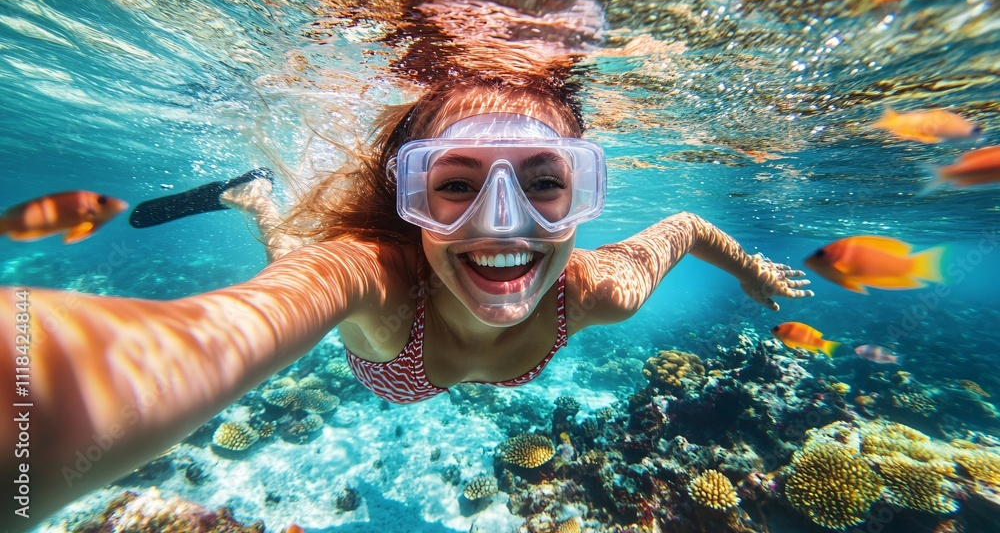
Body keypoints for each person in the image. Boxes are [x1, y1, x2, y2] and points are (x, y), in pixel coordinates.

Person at [0, 73, 811, 529]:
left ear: (584, 195)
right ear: (407, 201)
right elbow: (192, 343)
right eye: (454, 185)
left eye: (545, 184)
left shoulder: (599, 290)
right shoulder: (373, 279)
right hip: (378, 316)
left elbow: (688, 226)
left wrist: (752, 271)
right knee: (291, 252)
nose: (504, 223)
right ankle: (255, 197)